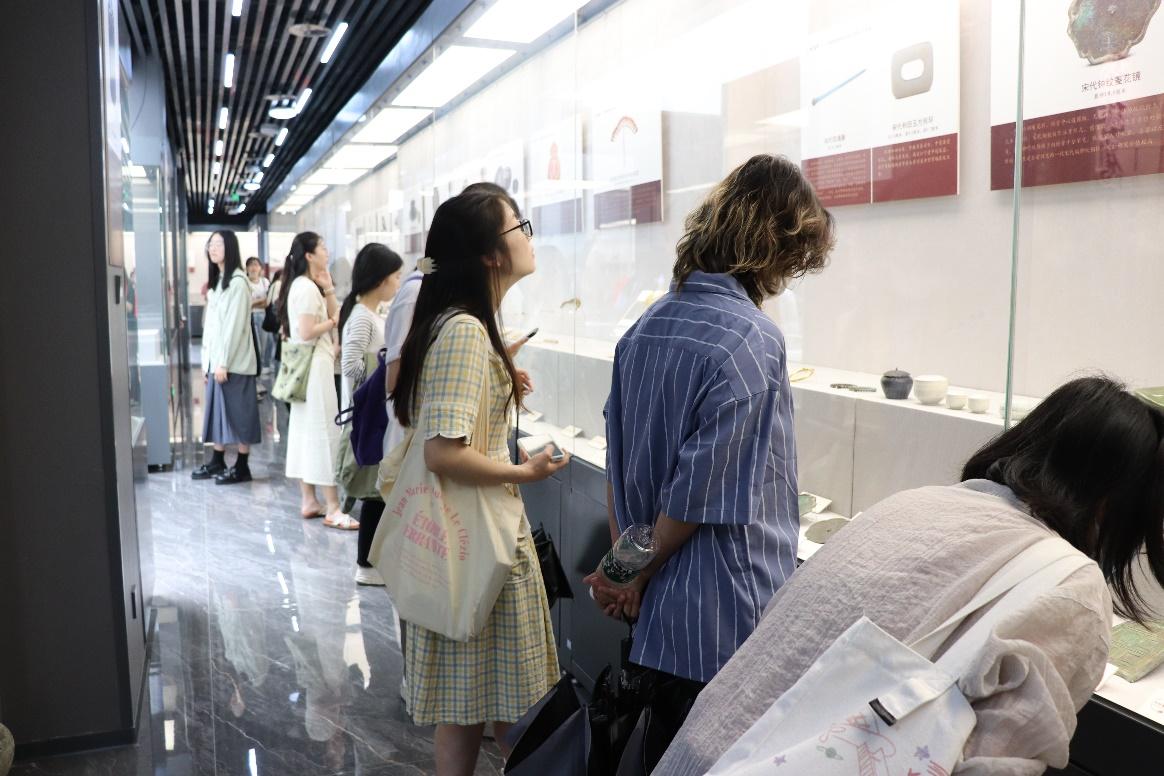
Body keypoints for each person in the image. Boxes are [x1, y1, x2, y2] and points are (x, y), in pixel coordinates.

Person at [659, 376, 1164, 775]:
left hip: (706, 749)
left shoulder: (915, 502)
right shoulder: (1073, 587)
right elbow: (997, 761)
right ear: (1112, 504)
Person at [585, 154, 836, 755]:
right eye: (793, 259)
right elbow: (696, 494)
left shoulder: (645, 327)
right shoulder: (753, 338)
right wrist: (633, 573)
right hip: (724, 615)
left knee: (662, 754)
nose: (789, 275)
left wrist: (623, 572)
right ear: (775, 245)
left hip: (658, 615)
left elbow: (621, 465)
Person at [390, 190, 568, 776]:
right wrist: (524, 471)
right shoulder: (465, 330)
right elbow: (443, 452)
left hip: (470, 542)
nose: (528, 237)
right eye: (521, 226)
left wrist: (499, 373)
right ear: (491, 254)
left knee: (467, 707)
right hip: (480, 546)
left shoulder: (462, 325)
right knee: (508, 712)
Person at [275, 232, 356, 529]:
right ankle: (333, 507)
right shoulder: (306, 288)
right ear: (309, 255)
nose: (327, 250)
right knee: (323, 431)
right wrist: (332, 323)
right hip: (315, 366)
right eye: (322, 247)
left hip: (308, 367)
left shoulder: (307, 285)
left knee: (305, 431)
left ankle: (309, 499)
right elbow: (308, 331)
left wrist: (329, 288)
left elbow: (334, 314)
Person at [338, 242, 404, 586]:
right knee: (372, 493)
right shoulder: (362, 317)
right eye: (395, 276)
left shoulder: (371, 313)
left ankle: (373, 562)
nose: (398, 282)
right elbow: (350, 364)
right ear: (381, 280)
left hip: (375, 416)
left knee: (378, 492)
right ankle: (366, 565)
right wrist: (381, 372)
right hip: (367, 418)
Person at [192, 230, 262, 484]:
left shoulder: (238, 283)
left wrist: (222, 362)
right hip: (218, 361)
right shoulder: (220, 281)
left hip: (234, 363)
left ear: (230, 247)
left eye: (218, 244)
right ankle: (217, 460)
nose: (212, 248)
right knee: (218, 412)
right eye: (210, 244)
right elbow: (212, 328)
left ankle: (242, 466)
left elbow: (233, 327)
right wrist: (208, 363)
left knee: (241, 414)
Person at [245, 256, 273, 374]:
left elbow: (268, 302)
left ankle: (264, 366)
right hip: (249, 317)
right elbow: (246, 303)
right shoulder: (244, 282)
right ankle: (256, 367)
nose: (253, 267)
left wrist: (253, 303)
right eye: (251, 265)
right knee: (254, 344)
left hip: (263, 316)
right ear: (246, 268)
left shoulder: (265, 282)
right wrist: (260, 301)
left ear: (260, 268)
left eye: (256, 265)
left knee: (267, 343)